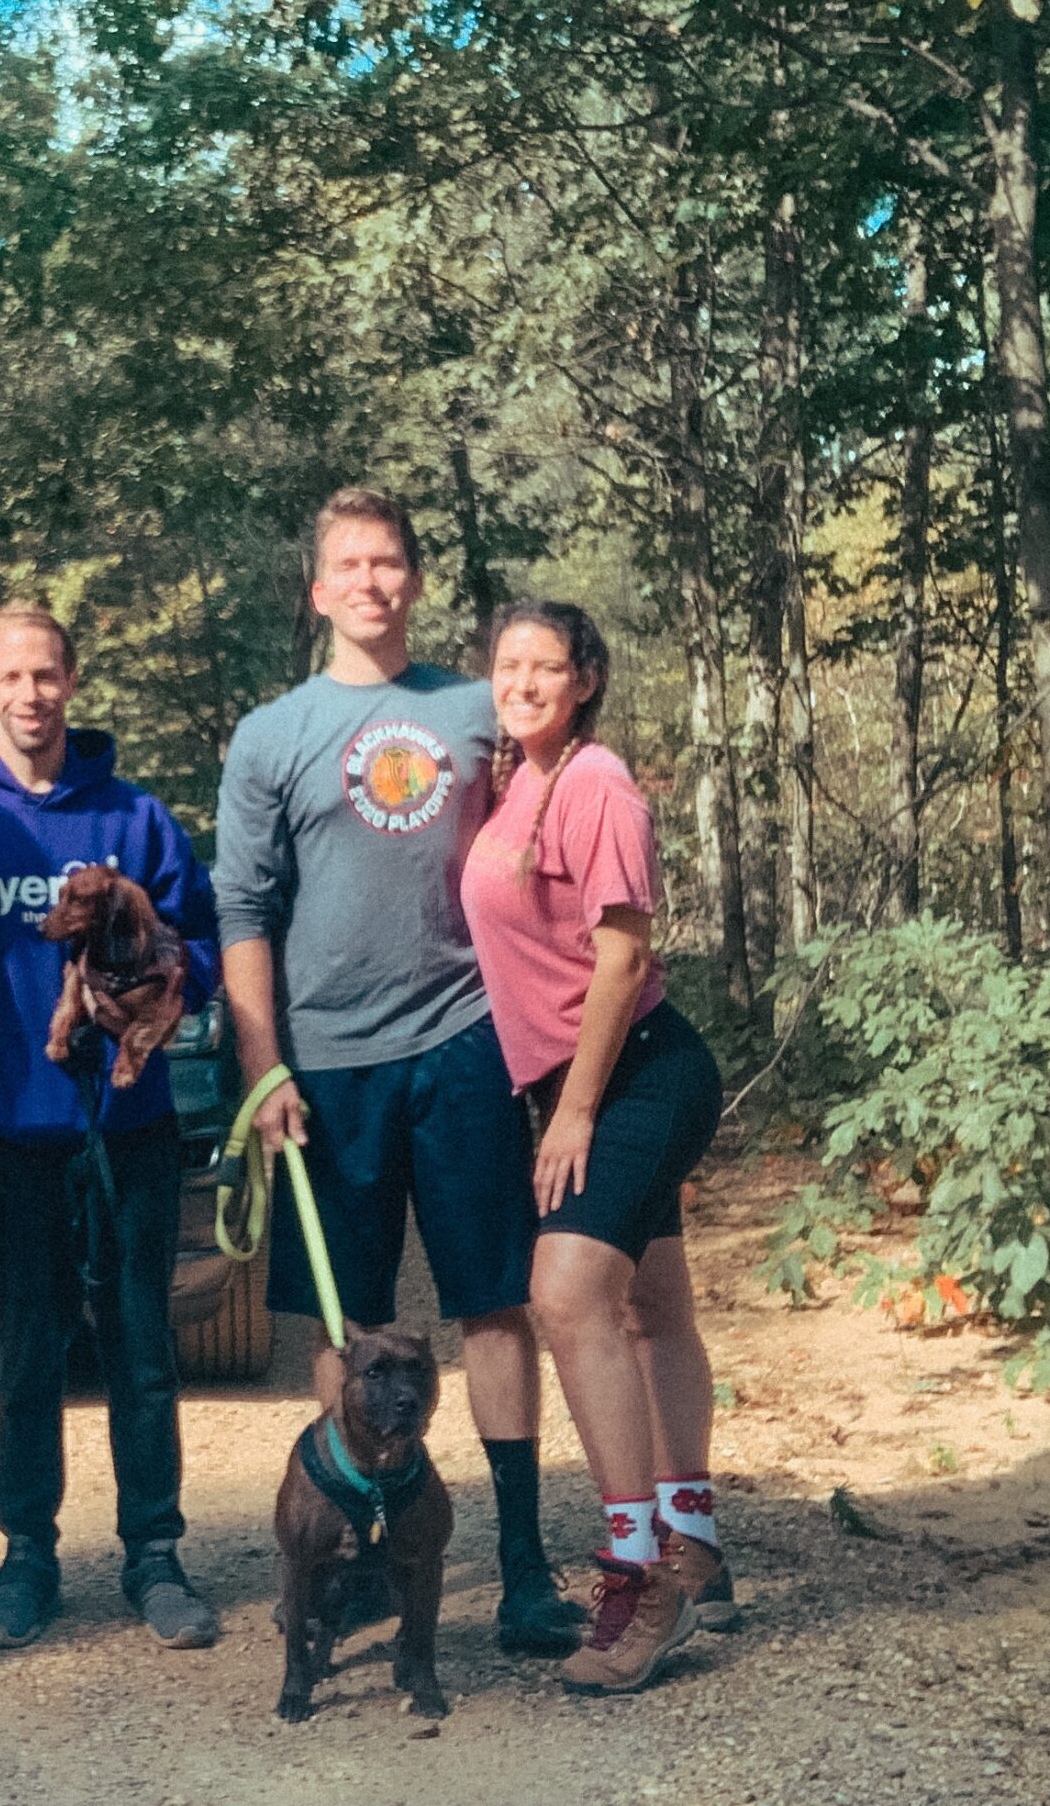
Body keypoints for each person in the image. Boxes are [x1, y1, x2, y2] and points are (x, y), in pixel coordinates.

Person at [214, 487, 586, 1656]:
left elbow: (567, 815)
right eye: (348, 565)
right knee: (346, 1322)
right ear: (317, 590)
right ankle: (359, 1557)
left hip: (462, 1042)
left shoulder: (476, 709)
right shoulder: (270, 734)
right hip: (327, 1070)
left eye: (389, 564)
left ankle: (521, 1566)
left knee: (491, 1300)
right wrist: (263, 1068)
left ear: (413, 583)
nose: (370, 582)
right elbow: (241, 907)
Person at [0, 603, 223, 1652]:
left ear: (72, 681)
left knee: (142, 1344)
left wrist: (166, 966)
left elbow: (203, 941)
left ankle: (154, 1553)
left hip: (130, 1123)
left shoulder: (136, 818)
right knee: (26, 1354)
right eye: (10, 676)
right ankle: (27, 1556)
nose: (30, 694)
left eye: (47, 674)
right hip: (14, 1125)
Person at [459, 600, 732, 1694]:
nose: (523, 679)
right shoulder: (516, 782)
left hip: (637, 1076)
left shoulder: (596, 783)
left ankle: (637, 1580)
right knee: (648, 1306)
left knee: (565, 1295)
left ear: (585, 679)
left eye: (547, 665)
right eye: (507, 663)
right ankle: (694, 1538)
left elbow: (621, 960)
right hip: (590, 1081)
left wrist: (571, 1111)